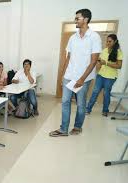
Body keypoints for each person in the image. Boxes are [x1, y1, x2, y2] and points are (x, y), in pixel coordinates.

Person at [49, 9, 102, 137]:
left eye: (77, 18)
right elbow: (68, 57)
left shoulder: (94, 37)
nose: (75, 20)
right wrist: (62, 76)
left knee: (81, 104)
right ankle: (63, 129)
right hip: (69, 76)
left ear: (86, 19)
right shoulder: (73, 37)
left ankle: (77, 127)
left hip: (84, 78)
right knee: (65, 101)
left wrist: (82, 79)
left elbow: (94, 61)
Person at [86, 34, 123, 117]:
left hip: (110, 77)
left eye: (110, 41)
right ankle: (88, 109)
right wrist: (98, 63)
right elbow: (100, 63)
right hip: (101, 75)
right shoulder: (104, 50)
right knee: (95, 92)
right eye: (107, 41)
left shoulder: (118, 52)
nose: (108, 43)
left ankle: (105, 110)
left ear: (115, 41)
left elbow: (119, 66)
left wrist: (106, 63)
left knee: (106, 93)